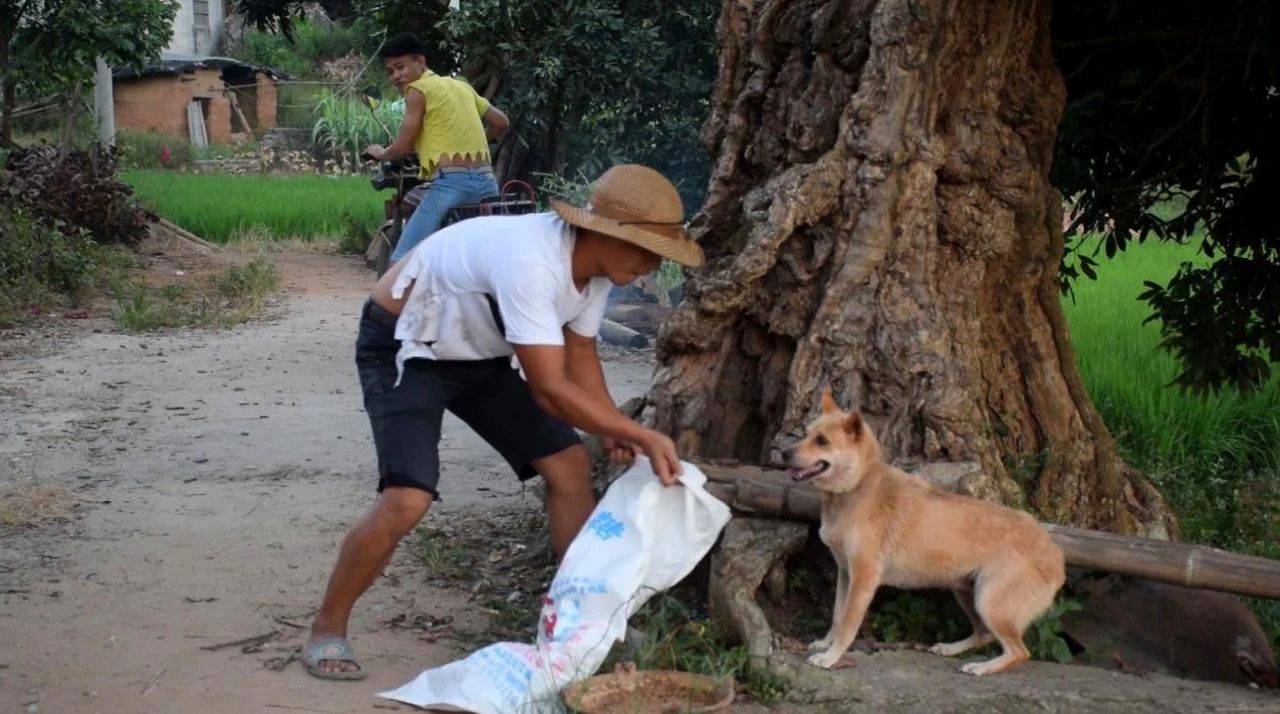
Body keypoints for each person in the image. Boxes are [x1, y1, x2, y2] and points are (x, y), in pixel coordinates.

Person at [304, 164, 705, 680]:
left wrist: (607, 426)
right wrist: (637, 432)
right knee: (408, 497)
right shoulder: (532, 262)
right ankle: (328, 626)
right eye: (647, 251)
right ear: (605, 233)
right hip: (405, 342)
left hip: (477, 355)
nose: (651, 266)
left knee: (569, 465)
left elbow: (580, 354)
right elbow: (549, 387)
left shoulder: (598, 272)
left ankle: (578, 624)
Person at [363, 33, 510, 263]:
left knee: (401, 261)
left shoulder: (417, 90)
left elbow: (402, 147)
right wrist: (479, 140)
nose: (396, 76)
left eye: (400, 67)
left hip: (452, 184)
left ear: (420, 62)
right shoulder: (461, 87)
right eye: (390, 71)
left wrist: (380, 153)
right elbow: (501, 122)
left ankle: (391, 298)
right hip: (487, 182)